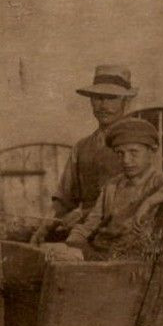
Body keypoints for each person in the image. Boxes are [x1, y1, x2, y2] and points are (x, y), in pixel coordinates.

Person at [61, 118, 163, 260]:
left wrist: (149, 202)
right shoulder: (112, 186)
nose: (126, 160)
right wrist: (73, 242)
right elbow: (91, 224)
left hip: (137, 259)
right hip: (103, 251)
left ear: (152, 152)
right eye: (120, 153)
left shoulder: (162, 182)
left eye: (133, 152)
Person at [51, 64, 138, 228]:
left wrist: (82, 213)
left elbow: (137, 195)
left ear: (125, 101)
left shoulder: (138, 144)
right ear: (91, 101)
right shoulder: (81, 147)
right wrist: (47, 223)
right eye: (97, 98)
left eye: (111, 98)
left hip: (125, 231)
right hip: (85, 234)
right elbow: (64, 198)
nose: (103, 105)